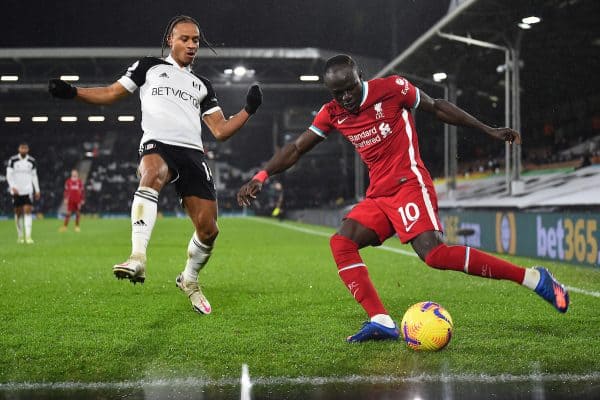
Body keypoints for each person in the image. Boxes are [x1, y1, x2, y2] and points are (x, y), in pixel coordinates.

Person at [237, 54, 569, 342]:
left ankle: (533, 278)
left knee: (435, 255)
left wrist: (487, 130)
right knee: (341, 242)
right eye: (337, 93)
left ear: (361, 78)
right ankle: (380, 320)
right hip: (379, 195)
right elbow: (296, 148)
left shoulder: (393, 88)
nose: (346, 98)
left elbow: (438, 108)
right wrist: (261, 175)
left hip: (409, 183)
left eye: (350, 88)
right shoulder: (333, 112)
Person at [49, 15, 262, 315]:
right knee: (151, 172)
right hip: (158, 143)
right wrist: (74, 92)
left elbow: (220, 130)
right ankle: (137, 257)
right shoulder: (149, 66)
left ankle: (189, 279)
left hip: (192, 153)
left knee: (209, 230)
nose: (191, 45)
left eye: (196, 40)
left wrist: (248, 110)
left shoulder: (202, 85)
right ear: (170, 40)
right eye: (184, 39)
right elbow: (112, 92)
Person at [6, 143, 40, 244]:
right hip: (16, 191)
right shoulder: (13, 160)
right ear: (19, 149)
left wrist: (37, 190)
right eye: (22, 148)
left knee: (28, 211)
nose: (24, 150)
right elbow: (9, 175)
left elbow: (34, 176)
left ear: (28, 149)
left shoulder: (32, 161)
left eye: (25, 148)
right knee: (18, 213)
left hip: (28, 190)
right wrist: (12, 186)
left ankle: (28, 237)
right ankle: (20, 236)